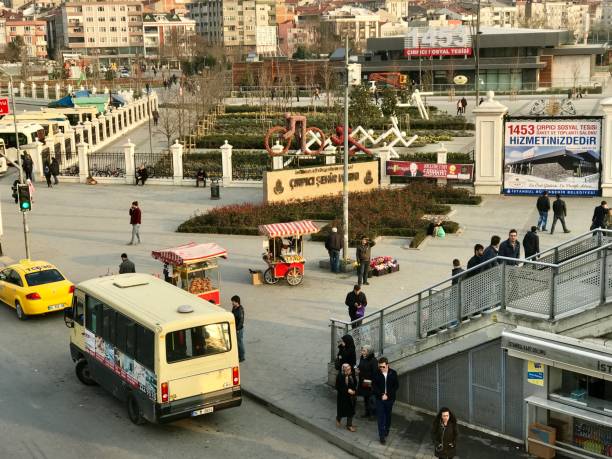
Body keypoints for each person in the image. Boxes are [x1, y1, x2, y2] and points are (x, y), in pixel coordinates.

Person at [373, 357, 399, 445]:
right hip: (379, 399)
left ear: (387, 365)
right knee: (381, 417)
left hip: (389, 399)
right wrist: (381, 395)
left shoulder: (393, 373)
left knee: (388, 415)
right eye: (380, 367)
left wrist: (387, 395)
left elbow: (396, 386)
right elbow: (374, 386)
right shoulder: (376, 373)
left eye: (383, 367)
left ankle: (387, 429)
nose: (381, 368)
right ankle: (381, 436)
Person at [357, 345, 378, 419]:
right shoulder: (362, 358)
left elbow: (375, 372)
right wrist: (358, 370)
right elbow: (360, 366)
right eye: (362, 350)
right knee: (365, 398)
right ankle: (367, 413)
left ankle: (373, 414)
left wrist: (371, 382)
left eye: (364, 351)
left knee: (371, 399)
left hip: (370, 382)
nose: (362, 352)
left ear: (369, 352)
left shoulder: (373, 360)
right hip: (363, 381)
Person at [336, 363, 357, 432]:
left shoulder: (351, 374)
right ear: (344, 370)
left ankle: (349, 425)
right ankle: (338, 419)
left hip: (351, 396)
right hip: (343, 397)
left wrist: (354, 391)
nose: (349, 370)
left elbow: (355, 382)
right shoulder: (340, 376)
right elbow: (338, 387)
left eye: (350, 369)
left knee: (351, 411)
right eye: (347, 370)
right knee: (341, 410)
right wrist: (347, 390)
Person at [231, 295, 245, 362]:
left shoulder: (240, 310)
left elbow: (241, 321)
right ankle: (238, 355)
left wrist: (237, 329)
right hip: (235, 328)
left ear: (237, 302)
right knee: (236, 343)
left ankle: (242, 357)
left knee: (240, 343)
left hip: (239, 330)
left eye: (233, 302)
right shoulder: (234, 307)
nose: (232, 303)